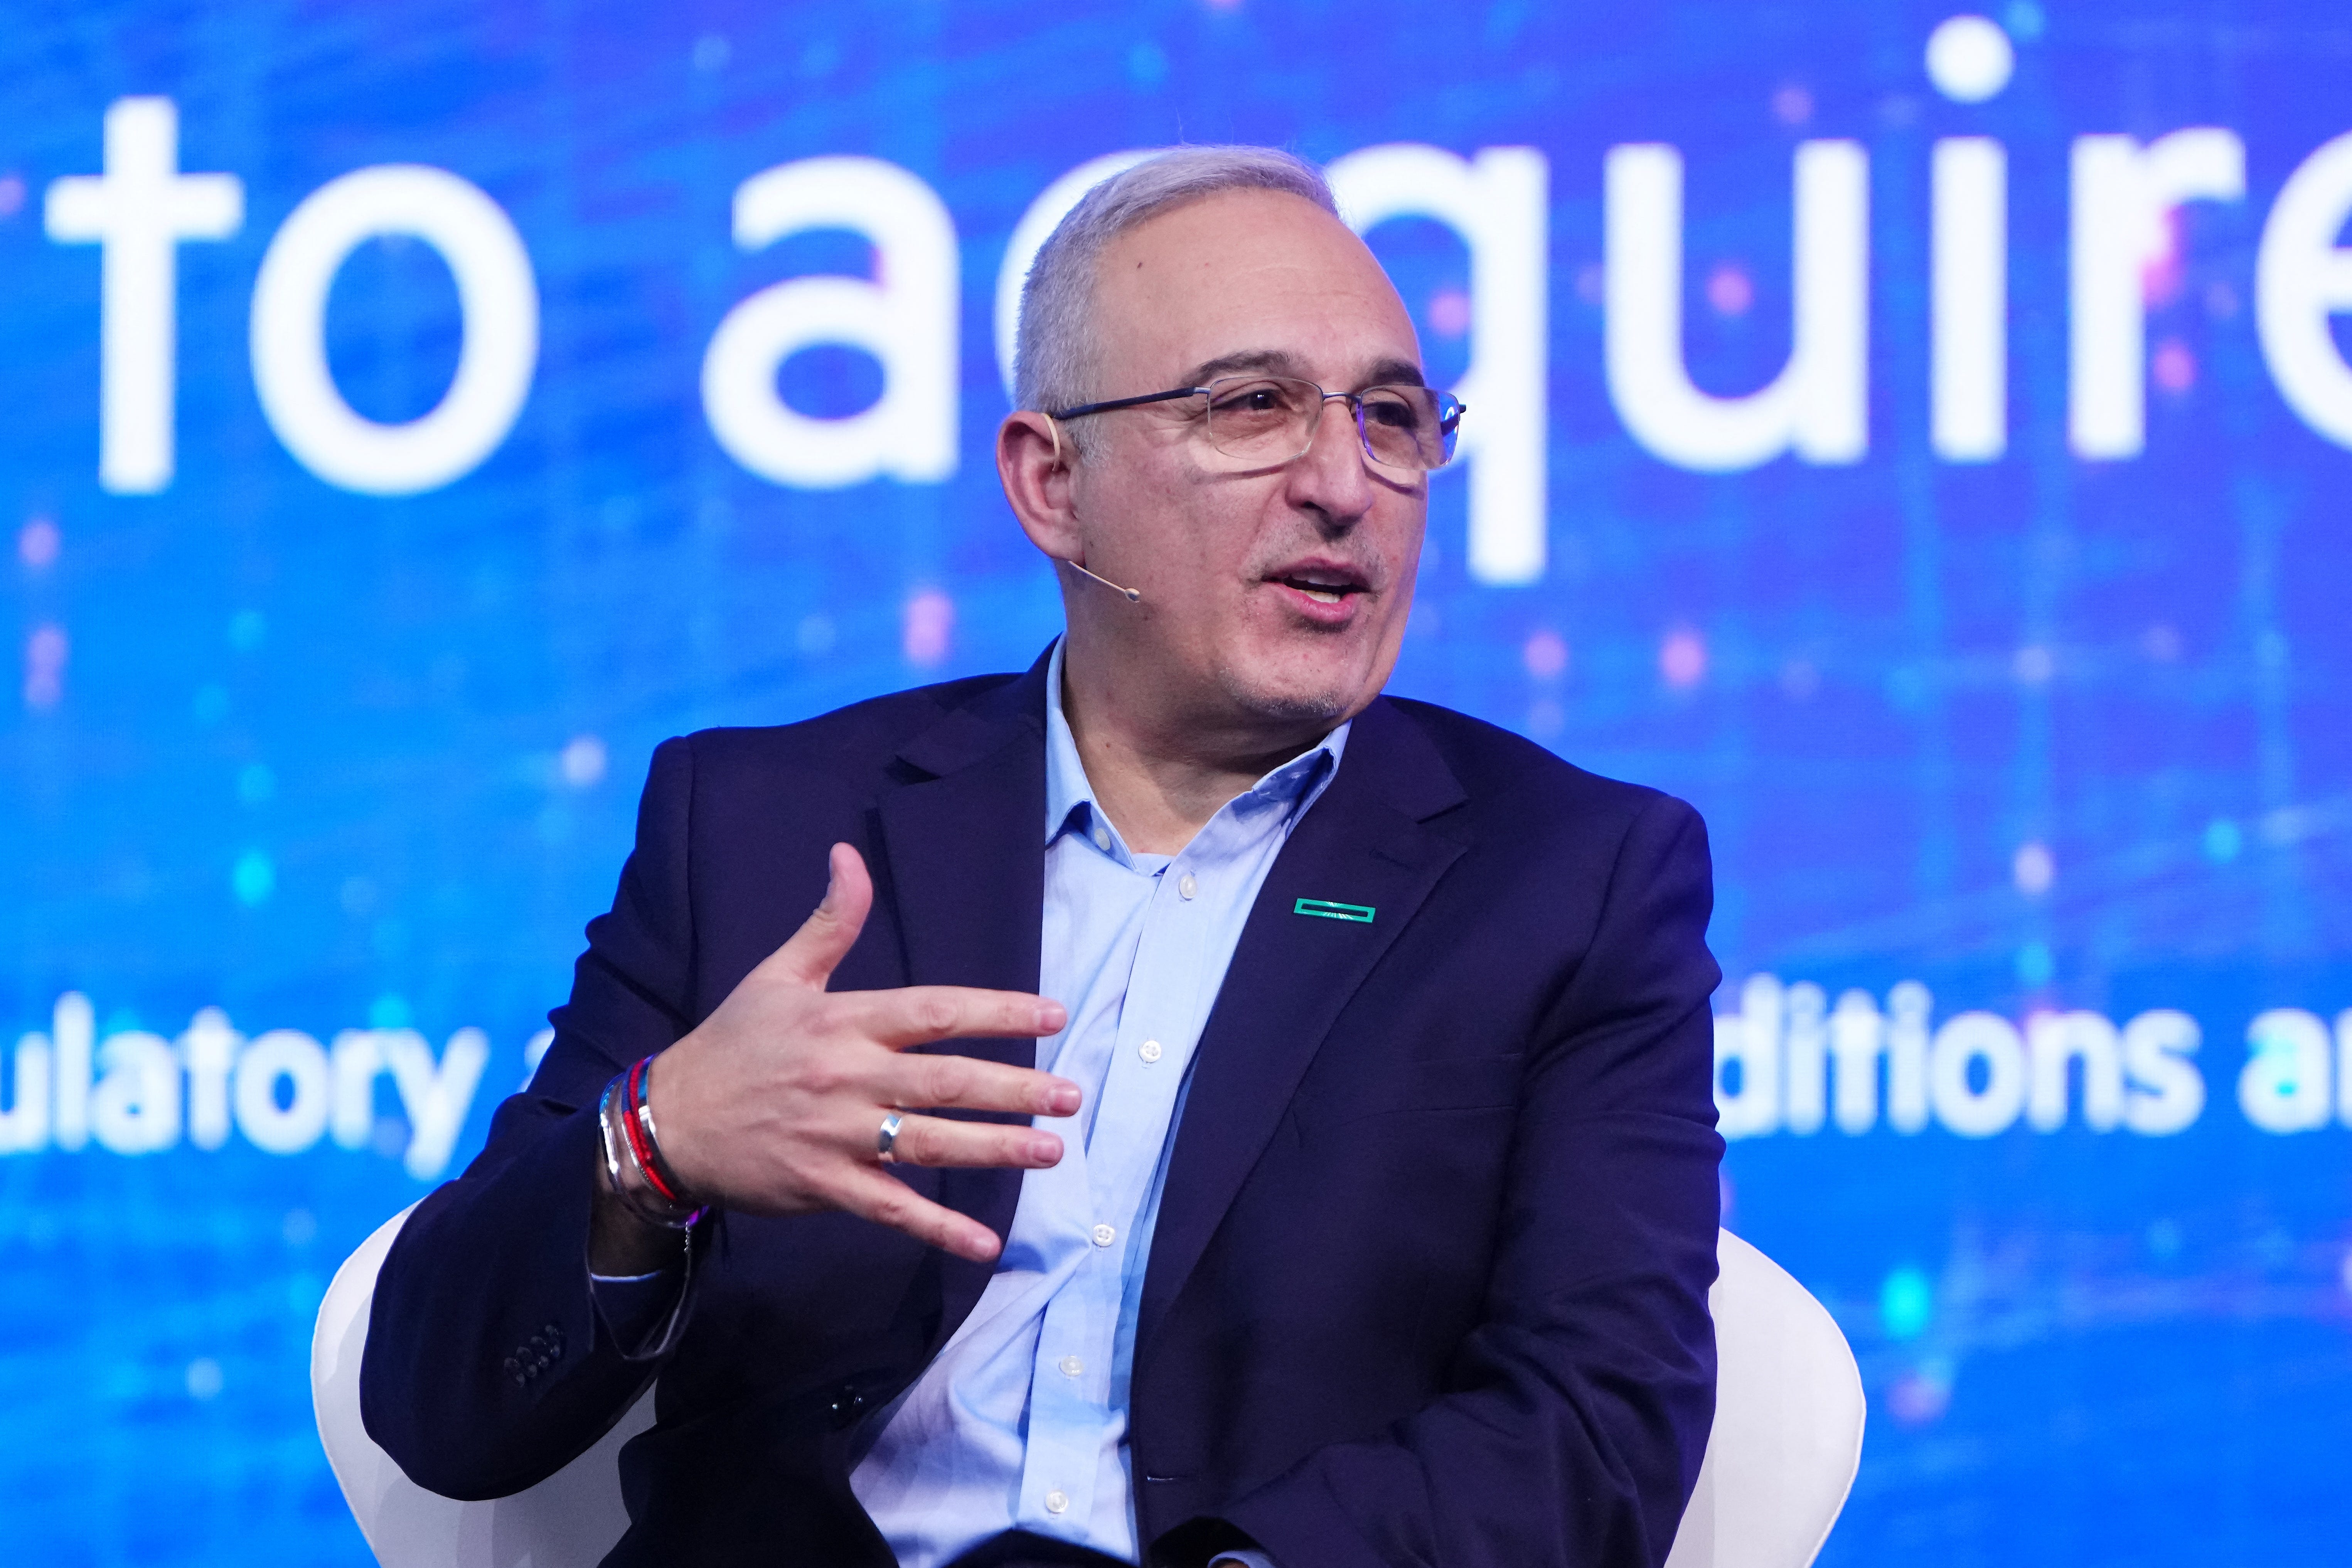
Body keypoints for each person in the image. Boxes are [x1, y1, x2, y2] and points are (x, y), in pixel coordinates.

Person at [361, 145, 1722, 1568]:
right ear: (1050, 481)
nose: (1345, 481)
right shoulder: (763, 827)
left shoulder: (1567, 878)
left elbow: (1594, 1425)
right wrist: (656, 1143)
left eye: (1392, 416)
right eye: (1252, 406)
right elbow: (439, 1405)